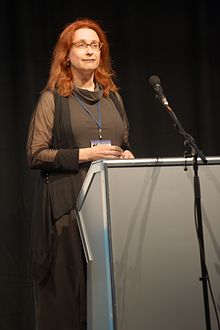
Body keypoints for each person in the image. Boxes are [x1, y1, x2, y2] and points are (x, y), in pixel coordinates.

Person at [26, 17, 134, 330]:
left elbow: (123, 143)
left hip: (108, 213)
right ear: (67, 55)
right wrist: (85, 154)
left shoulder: (112, 98)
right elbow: (35, 154)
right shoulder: (53, 99)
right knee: (67, 304)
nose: (89, 51)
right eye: (81, 45)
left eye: (94, 45)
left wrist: (126, 154)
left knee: (108, 301)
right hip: (67, 212)